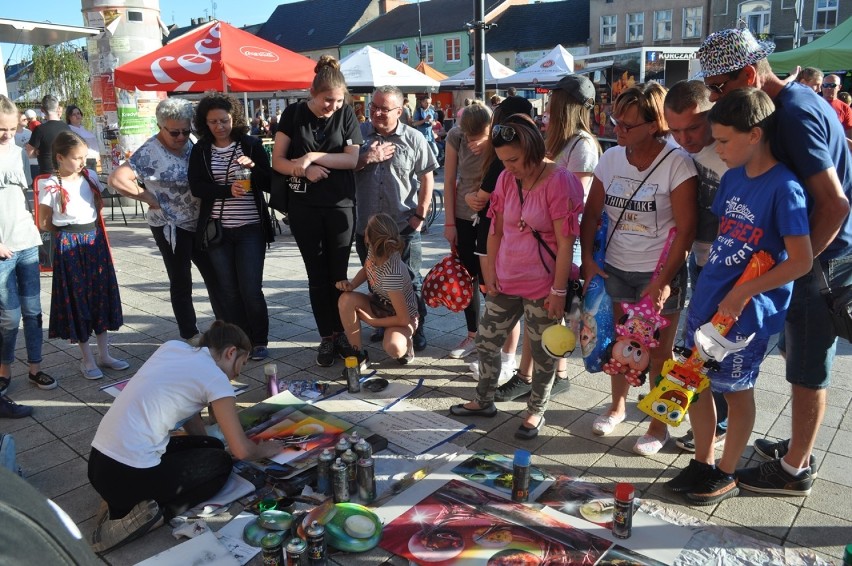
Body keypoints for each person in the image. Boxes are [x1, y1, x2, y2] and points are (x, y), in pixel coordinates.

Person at [696, 28, 852, 496]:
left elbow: (835, 202)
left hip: (821, 256)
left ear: (749, 74)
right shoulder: (791, 101)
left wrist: (797, 269)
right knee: (798, 357)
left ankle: (793, 470)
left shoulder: (795, 115)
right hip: (804, 254)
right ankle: (797, 446)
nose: (714, 99)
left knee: (806, 363)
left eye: (719, 88)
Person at [666, 88, 812, 505]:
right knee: (694, 381)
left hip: (746, 315)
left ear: (755, 134)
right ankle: (703, 460)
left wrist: (743, 292)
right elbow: (727, 242)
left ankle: (726, 472)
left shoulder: (785, 188)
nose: (718, 149)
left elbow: (800, 260)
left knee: (735, 389)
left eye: (725, 141)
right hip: (709, 300)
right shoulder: (731, 178)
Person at [87, 321, 284, 553]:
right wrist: (266, 449)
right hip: (128, 477)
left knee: (212, 446)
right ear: (231, 352)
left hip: (99, 464)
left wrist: (209, 450)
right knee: (221, 465)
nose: (237, 374)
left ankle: (119, 501)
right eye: (240, 364)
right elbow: (242, 451)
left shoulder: (173, 348)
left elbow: (189, 413)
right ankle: (148, 515)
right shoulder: (215, 378)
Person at [579, 82, 698, 456]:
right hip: (616, 267)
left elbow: (686, 229)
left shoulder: (676, 162)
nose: (618, 130)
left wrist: (663, 283)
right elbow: (591, 213)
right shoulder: (612, 158)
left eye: (627, 125)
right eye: (616, 122)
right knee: (621, 343)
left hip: (658, 273)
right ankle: (616, 407)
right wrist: (588, 260)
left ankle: (657, 424)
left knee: (659, 353)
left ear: (654, 124)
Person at [449, 113, 580, 441]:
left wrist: (559, 290)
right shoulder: (506, 179)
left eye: (515, 160)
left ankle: (536, 410)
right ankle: (484, 400)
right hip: (506, 280)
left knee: (542, 353)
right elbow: (495, 231)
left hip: (543, 286)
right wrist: (490, 274)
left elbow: (566, 243)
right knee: (486, 341)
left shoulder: (558, 181)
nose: (510, 167)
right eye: (504, 161)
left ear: (534, 149)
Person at [271, 56, 362, 368]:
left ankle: (344, 334)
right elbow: (278, 161)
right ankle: (326, 337)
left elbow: (351, 159)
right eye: (327, 100)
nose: (332, 107)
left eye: (338, 101)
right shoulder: (293, 114)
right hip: (305, 207)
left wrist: (312, 156)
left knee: (338, 275)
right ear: (313, 92)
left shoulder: (346, 113)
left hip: (340, 207)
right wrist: (302, 170)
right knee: (316, 276)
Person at [109, 98, 224, 342]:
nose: (181, 137)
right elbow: (117, 179)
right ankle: (190, 332)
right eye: (175, 132)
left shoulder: (191, 142)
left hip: (198, 221)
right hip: (170, 226)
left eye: (185, 130)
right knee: (181, 279)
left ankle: (223, 325)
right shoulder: (150, 151)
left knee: (215, 274)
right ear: (161, 127)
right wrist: (150, 198)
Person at [663, 80, 730, 453]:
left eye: (693, 127)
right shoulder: (681, 153)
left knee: (718, 347)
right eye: (675, 130)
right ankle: (714, 420)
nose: (685, 138)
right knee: (700, 345)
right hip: (699, 259)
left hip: (732, 268)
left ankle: (720, 423)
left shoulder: (730, 151)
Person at [189, 93, 274, 361]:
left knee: (250, 288)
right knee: (227, 290)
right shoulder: (201, 149)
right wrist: (227, 190)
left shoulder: (250, 144)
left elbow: (270, 182)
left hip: (250, 227)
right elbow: (197, 186)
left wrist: (255, 168)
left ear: (233, 118)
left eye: (223, 120)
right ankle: (239, 339)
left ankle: (259, 340)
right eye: (213, 122)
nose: (219, 126)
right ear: (205, 123)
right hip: (218, 230)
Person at [36, 131, 127, 380]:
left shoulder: (91, 177)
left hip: (93, 241)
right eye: (76, 158)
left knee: (100, 295)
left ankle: (104, 355)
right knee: (78, 299)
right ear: (60, 158)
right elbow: (44, 222)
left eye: (84, 157)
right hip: (69, 242)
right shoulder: (51, 185)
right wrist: (68, 233)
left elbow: (97, 207)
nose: (82, 162)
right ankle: (86, 359)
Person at [355, 86, 438, 352]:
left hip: (403, 226)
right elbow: (344, 168)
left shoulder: (414, 138)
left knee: (411, 280)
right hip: (367, 229)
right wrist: (365, 157)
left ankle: (417, 328)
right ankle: (385, 325)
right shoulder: (358, 136)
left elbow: (427, 177)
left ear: (399, 111)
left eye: (384, 108)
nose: (377, 113)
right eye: (374, 107)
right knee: (376, 282)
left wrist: (420, 215)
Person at [0, 95, 47, 419]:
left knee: (33, 311)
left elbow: (28, 194)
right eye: (1, 129)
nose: (7, 134)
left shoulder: (19, 152)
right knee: (8, 317)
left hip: (27, 241)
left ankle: (35, 367)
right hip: (3, 248)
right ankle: (4, 372)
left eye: (11, 128)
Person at [443, 101, 492, 360]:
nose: (472, 142)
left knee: (491, 278)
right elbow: (449, 179)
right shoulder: (455, 136)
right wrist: (449, 223)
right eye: (469, 137)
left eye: (478, 138)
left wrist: (490, 143)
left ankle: (495, 336)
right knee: (468, 276)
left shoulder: (498, 135)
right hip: (463, 214)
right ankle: (473, 334)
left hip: (493, 214)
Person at [337, 213, 419, 367]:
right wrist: (352, 285)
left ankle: (406, 344)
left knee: (394, 349)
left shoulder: (391, 273)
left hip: (402, 315)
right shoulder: (375, 250)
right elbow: (367, 268)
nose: (365, 229)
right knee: (346, 299)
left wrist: (373, 321)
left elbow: (403, 318)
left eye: (367, 228)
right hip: (380, 303)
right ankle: (358, 354)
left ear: (371, 238)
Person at [26, 95, 70, 175]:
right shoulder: (67, 128)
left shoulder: (40, 129)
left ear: (42, 110)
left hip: (47, 174)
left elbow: (30, 153)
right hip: (66, 172)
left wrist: (36, 152)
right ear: (57, 108)